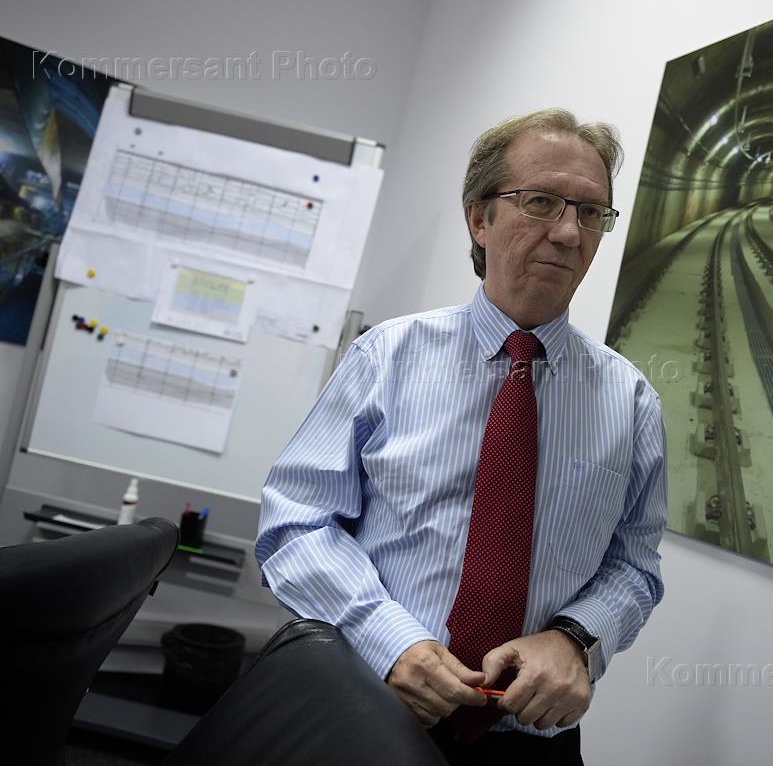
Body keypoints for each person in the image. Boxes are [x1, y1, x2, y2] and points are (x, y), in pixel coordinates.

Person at [257, 109, 667, 765]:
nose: (569, 232)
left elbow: (634, 563)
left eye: (592, 213)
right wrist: (387, 638)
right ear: (480, 218)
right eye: (541, 202)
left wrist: (575, 638)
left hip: (529, 745)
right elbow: (297, 523)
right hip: (364, 710)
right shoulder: (386, 358)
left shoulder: (631, 401)